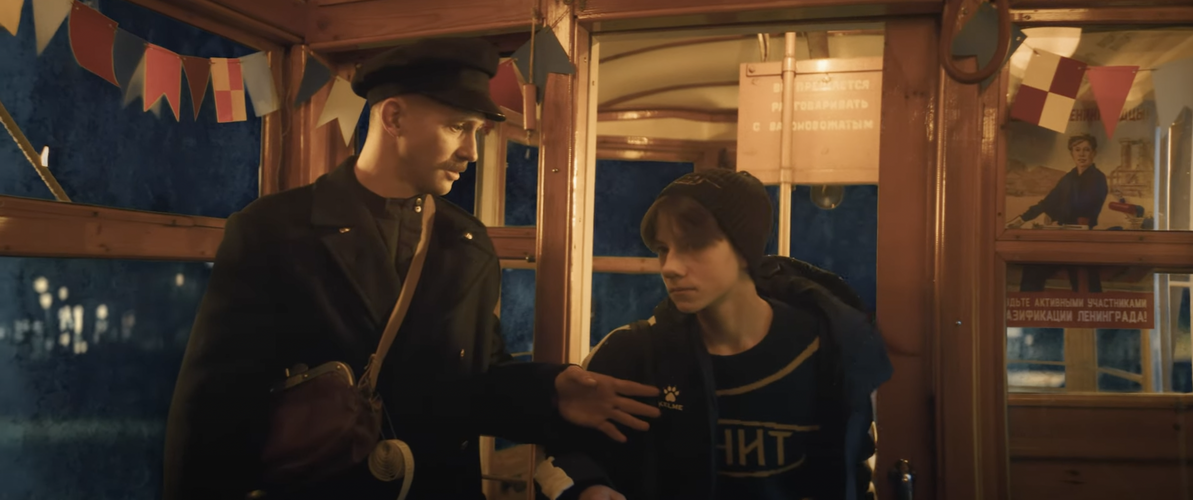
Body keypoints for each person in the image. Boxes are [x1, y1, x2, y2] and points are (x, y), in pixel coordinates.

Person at [162, 37, 660, 500]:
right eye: (457, 127)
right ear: (394, 117)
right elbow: (212, 413)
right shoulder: (274, 231)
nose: (471, 152)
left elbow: (475, 381)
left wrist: (550, 391)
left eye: (478, 132)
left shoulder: (467, 242)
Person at [534, 169, 893, 500]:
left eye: (693, 244)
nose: (670, 267)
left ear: (744, 250)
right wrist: (587, 487)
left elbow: (853, 473)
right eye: (663, 249)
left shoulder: (826, 349)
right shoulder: (631, 354)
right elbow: (559, 455)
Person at [1007, 133, 1109, 229]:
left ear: (1093, 153)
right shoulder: (1068, 178)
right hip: (1063, 228)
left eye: (1086, 150)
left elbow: (1085, 210)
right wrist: (1021, 219)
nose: (1081, 154)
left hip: (1082, 230)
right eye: (1077, 150)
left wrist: (1052, 214)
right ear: (1072, 154)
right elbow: (1048, 202)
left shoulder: (1098, 178)